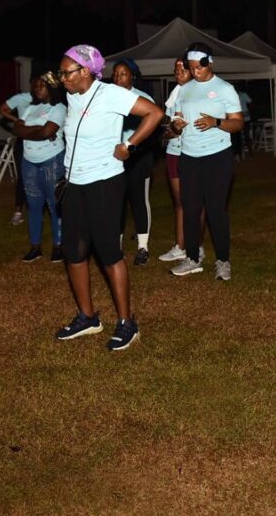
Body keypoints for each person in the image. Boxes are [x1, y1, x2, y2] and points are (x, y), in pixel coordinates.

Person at [54, 45, 163, 351]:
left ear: (85, 71)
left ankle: (127, 323)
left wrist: (129, 145)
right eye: (60, 73)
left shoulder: (111, 94)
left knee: (108, 252)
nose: (62, 78)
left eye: (67, 73)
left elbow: (155, 113)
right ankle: (87, 318)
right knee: (74, 251)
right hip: (74, 183)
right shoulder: (72, 96)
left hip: (104, 182)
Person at [168, 42, 244, 281]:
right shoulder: (184, 90)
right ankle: (192, 258)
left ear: (209, 62)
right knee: (190, 210)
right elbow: (175, 121)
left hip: (217, 157)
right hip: (189, 157)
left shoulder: (224, 89)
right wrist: (176, 125)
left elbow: (238, 123)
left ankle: (223, 261)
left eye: (199, 67)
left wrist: (216, 122)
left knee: (215, 210)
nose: (195, 72)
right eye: (191, 68)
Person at [12, 73, 66, 263]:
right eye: (35, 86)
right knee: (33, 205)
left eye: (41, 85)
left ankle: (58, 246)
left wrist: (31, 132)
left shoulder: (59, 108)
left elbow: (47, 131)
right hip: (29, 161)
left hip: (52, 160)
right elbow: (16, 129)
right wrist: (39, 132)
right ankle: (35, 247)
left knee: (54, 204)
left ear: (51, 87)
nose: (37, 89)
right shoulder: (30, 108)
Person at [158, 59, 205, 264]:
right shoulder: (175, 94)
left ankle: (198, 247)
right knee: (179, 202)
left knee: (195, 203)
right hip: (173, 152)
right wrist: (169, 131)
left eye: (183, 70)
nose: (178, 74)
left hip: (192, 153)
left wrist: (176, 130)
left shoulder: (198, 93)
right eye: (176, 71)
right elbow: (170, 128)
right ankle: (180, 246)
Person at [111, 58, 156, 265]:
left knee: (139, 200)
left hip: (138, 157)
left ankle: (143, 247)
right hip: (114, 157)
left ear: (133, 76)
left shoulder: (143, 99)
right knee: (116, 201)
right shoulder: (108, 97)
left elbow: (152, 129)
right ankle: (116, 246)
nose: (118, 77)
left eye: (123, 74)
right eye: (115, 74)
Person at [0, 89, 32, 225]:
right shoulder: (22, 98)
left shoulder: (48, 99)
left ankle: (37, 210)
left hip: (40, 141)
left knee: (39, 178)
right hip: (23, 142)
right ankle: (18, 212)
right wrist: (17, 120)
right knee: (23, 177)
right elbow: (2, 109)